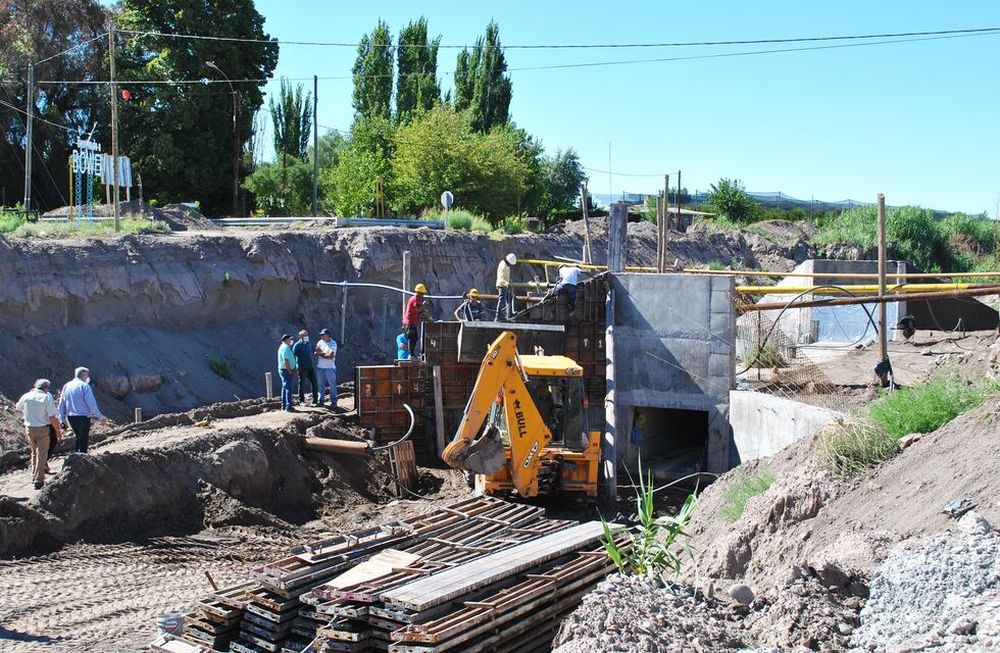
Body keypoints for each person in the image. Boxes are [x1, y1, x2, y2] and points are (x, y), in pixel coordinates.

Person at [16, 379, 62, 490]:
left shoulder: (26, 396)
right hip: (42, 429)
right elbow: (52, 417)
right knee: (42, 454)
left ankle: (34, 475)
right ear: (46, 388)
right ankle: (39, 480)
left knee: (34, 452)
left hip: (29, 428)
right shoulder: (46, 398)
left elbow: (18, 407)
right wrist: (58, 431)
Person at [58, 367, 104, 454]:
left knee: (78, 437)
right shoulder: (85, 386)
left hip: (71, 417)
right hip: (83, 417)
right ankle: (81, 457)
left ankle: (77, 455)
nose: (88, 377)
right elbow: (92, 404)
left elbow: (61, 404)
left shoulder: (66, 386)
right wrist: (100, 417)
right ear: (83, 374)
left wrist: (62, 419)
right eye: (87, 375)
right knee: (83, 439)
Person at [403, 283, 429, 357]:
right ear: (419, 293)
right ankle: (411, 355)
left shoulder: (415, 299)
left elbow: (418, 311)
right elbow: (418, 309)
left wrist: (425, 312)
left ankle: (411, 355)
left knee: (415, 338)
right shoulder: (415, 299)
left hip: (412, 323)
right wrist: (424, 305)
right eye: (422, 293)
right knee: (412, 338)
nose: (423, 295)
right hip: (409, 322)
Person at [293, 330, 318, 406]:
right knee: (302, 384)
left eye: (307, 335)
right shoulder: (297, 345)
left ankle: (315, 400)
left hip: (310, 366)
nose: (306, 337)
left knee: (314, 383)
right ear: (300, 336)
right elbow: (293, 355)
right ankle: (301, 401)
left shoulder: (308, 343)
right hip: (302, 367)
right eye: (304, 335)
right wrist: (295, 367)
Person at [314, 328, 338, 408]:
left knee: (332, 385)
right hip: (320, 367)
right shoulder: (320, 342)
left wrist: (320, 353)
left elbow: (330, 356)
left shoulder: (333, 343)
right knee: (320, 385)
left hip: (330, 368)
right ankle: (320, 401)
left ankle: (334, 402)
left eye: (323, 335)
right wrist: (325, 354)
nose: (321, 336)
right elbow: (316, 351)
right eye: (321, 335)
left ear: (328, 335)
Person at [277, 334, 298, 412]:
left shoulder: (283, 347)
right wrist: (290, 371)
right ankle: (288, 406)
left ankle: (284, 405)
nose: (291, 341)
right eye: (290, 339)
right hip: (286, 370)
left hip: (284, 369)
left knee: (285, 387)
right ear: (286, 340)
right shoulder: (285, 348)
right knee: (289, 387)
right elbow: (285, 360)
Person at [496, 253, 517, 321]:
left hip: (505, 285)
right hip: (502, 285)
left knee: (509, 298)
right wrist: (507, 283)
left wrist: (508, 282)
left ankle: (509, 314)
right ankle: (498, 316)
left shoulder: (505, 264)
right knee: (502, 301)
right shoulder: (503, 266)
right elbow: (501, 277)